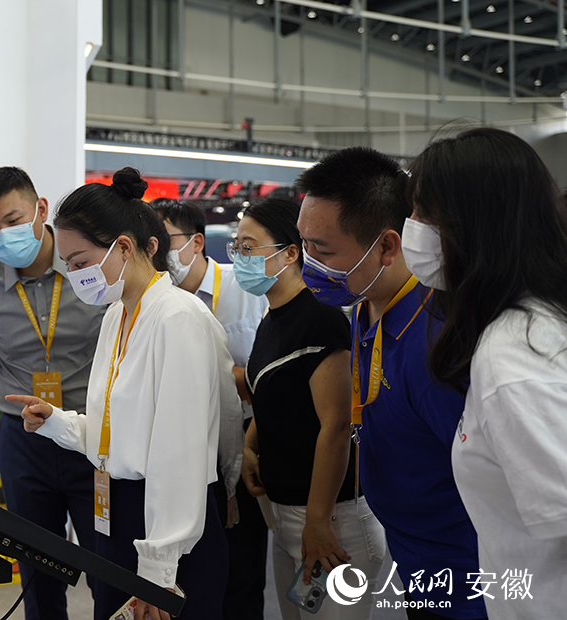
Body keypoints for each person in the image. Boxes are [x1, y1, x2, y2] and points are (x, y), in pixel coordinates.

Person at [7, 168, 230, 620]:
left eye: (80, 262)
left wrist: (158, 569)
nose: (74, 275)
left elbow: (179, 455)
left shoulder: (177, 318)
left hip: (165, 523)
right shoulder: (117, 314)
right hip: (115, 510)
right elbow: (122, 429)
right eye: (68, 265)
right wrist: (58, 422)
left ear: (124, 247)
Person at [296, 147, 487, 620]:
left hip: (465, 571)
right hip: (412, 554)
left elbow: (489, 478)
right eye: (303, 243)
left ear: (386, 246)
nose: (309, 263)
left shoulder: (437, 346)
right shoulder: (365, 305)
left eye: (323, 250)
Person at [404, 127, 567, 619]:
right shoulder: (537, 322)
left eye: (423, 214)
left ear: (472, 224)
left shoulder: (515, 355)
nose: (413, 228)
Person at [0, 167, 105, 620]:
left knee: (107, 560)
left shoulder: (90, 271)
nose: (3, 235)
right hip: (23, 441)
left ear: (41, 209)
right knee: (37, 565)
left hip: (93, 435)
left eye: (12, 220)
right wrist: (22, 403)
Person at [236, 196, 384, 620]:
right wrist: (250, 445)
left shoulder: (320, 319)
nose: (240, 258)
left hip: (332, 520)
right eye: (236, 247)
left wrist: (318, 521)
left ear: (290, 253)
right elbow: (274, 395)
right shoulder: (272, 319)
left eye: (249, 248)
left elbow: (336, 425)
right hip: (285, 513)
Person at [153, 199, 269, 620]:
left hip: (243, 442)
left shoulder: (247, 290)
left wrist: (216, 375)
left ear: (196, 243)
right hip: (182, 448)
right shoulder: (154, 303)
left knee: (242, 570)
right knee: (193, 573)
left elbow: (270, 377)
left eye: (165, 241)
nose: (157, 252)